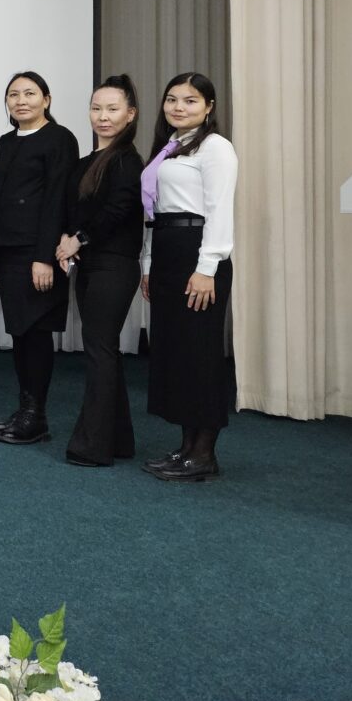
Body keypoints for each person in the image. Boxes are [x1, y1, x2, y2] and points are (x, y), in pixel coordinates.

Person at [140, 72, 237, 482]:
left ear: (209, 106)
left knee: (200, 354)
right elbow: (154, 211)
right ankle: (186, 448)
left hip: (197, 255)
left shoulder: (216, 148)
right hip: (167, 251)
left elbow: (219, 210)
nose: (179, 107)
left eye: (190, 100)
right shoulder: (170, 147)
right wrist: (148, 264)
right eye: (172, 99)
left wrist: (206, 267)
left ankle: (204, 454)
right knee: (176, 354)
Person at [0, 71, 80, 445]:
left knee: (37, 332)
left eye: (29, 93)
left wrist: (44, 257)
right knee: (20, 333)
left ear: (47, 99)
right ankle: (24, 409)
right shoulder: (7, 141)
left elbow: (57, 199)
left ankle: (36, 416)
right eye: (13, 94)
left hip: (37, 253)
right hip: (8, 251)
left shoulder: (60, 139)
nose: (21, 100)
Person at [54, 75, 145, 466]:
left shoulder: (127, 160)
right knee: (103, 350)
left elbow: (117, 211)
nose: (102, 117)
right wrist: (66, 237)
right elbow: (75, 211)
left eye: (112, 109)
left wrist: (79, 239)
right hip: (90, 265)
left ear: (130, 114)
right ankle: (118, 440)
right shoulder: (86, 162)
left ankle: (94, 447)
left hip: (115, 265)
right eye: (96, 108)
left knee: (99, 351)